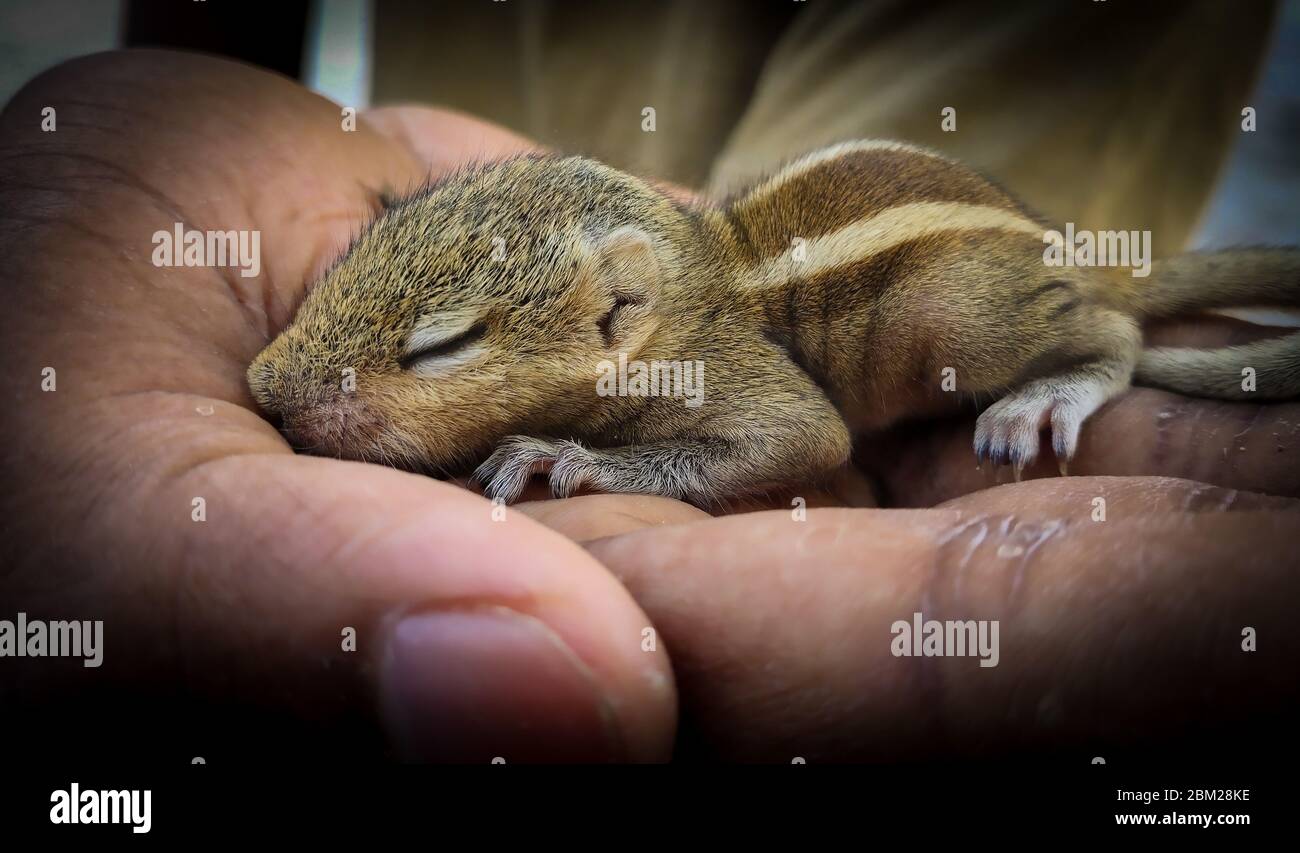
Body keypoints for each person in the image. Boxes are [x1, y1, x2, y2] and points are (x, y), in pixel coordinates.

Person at [0, 49, 1295, 764]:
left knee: (962, 324)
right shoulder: (635, 315)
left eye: (437, 348)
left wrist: (610, 465)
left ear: (620, 320)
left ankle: (1100, 345)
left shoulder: (701, 352)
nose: (286, 383)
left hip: (951, 269)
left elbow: (807, 437)